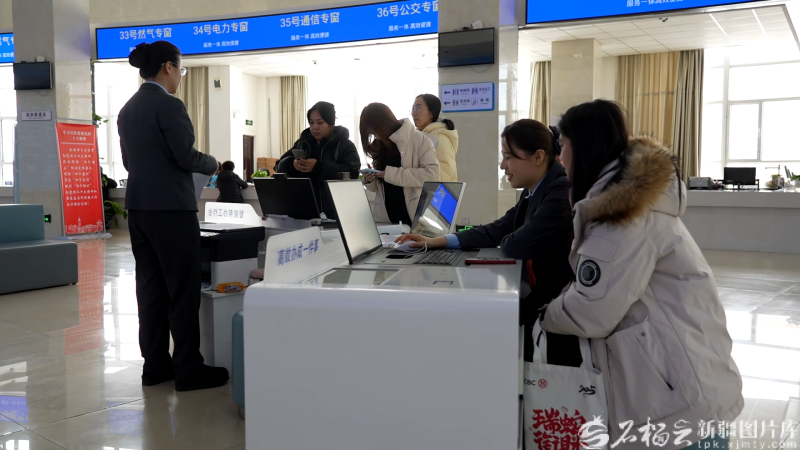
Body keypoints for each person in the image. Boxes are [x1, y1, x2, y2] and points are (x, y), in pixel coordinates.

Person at [541, 100, 743, 449]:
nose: (560, 156)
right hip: (684, 384)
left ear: (583, 147)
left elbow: (592, 311)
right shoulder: (623, 205)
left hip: (681, 401)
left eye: (563, 145)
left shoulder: (623, 219)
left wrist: (543, 313)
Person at [396, 119, 579, 365]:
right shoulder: (536, 188)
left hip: (554, 309)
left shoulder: (559, 191)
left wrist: (510, 236)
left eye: (509, 157)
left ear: (538, 157)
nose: (503, 166)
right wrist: (437, 241)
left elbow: (515, 245)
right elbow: (499, 229)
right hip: (540, 297)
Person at [118, 41, 229, 391]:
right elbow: (185, 156)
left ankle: (155, 366)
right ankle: (188, 369)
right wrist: (212, 163)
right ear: (168, 67)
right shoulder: (169, 105)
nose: (181, 76)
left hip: (139, 209)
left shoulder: (128, 109)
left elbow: (129, 162)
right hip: (172, 209)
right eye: (181, 69)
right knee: (183, 290)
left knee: (150, 289)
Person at [275, 101, 360, 217]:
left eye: (320, 122)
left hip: (336, 212)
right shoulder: (302, 143)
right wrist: (292, 165)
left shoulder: (345, 145)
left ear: (331, 123)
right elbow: (278, 166)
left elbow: (352, 173)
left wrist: (319, 167)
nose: (315, 127)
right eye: (311, 122)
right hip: (303, 212)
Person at [361, 103, 439, 226]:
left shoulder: (421, 140)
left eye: (375, 131)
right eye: (372, 133)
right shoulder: (379, 145)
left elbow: (432, 176)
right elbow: (381, 188)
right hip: (386, 220)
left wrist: (390, 174)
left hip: (413, 218)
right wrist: (370, 181)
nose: (375, 136)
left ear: (382, 124)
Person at [412, 94, 459, 182]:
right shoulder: (419, 137)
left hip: (436, 190)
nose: (413, 113)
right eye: (413, 108)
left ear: (431, 113)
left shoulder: (439, 138)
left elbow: (445, 172)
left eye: (418, 108)